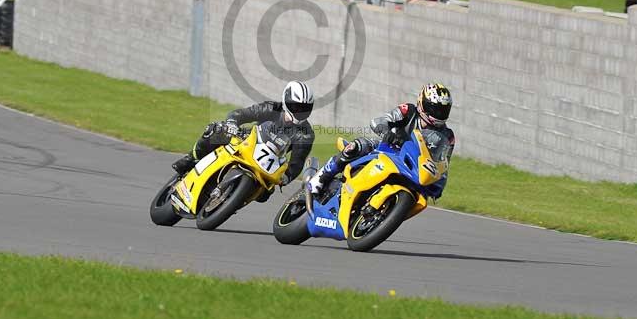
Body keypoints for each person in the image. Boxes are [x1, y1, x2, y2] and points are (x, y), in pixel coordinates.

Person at [308, 83, 455, 201]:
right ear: (422, 103)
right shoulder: (408, 111)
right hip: (388, 148)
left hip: (413, 167)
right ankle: (320, 179)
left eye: (443, 110)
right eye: (435, 109)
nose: (438, 114)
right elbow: (379, 121)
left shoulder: (447, 136)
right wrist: (388, 133)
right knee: (356, 146)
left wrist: (439, 184)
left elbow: (443, 165)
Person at [171, 81, 316, 189]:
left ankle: (234, 197)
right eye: (296, 106)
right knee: (216, 130)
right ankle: (191, 158)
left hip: (269, 163)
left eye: (304, 108)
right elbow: (241, 114)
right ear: (286, 100)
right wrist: (232, 124)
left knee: (265, 194)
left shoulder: (306, 134)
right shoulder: (272, 108)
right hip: (247, 141)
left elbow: (297, 162)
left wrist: (286, 177)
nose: (299, 111)